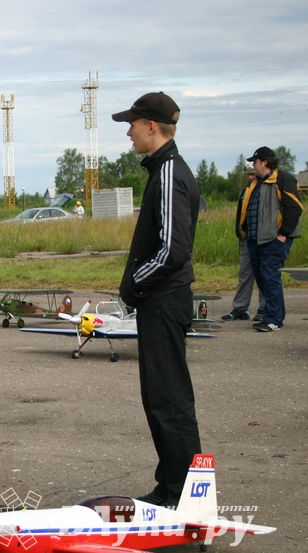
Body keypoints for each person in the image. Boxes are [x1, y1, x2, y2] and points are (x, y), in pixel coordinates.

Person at [112, 92, 201, 506]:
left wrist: (134, 286)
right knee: (162, 397)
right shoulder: (164, 170)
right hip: (162, 301)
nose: (128, 131)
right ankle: (173, 487)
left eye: (132, 123)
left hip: (164, 300)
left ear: (151, 126)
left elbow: (172, 250)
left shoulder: (168, 172)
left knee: (168, 399)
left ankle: (182, 495)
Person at [239, 146, 303, 332]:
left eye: (255, 161)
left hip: (273, 239)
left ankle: (274, 320)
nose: (253, 165)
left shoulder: (283, 179)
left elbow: (295, 207)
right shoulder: (258, 182)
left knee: (270, 276)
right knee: (262, 278)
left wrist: (283, 234)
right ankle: (269, 315)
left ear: (264, 162)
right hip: (255, 239)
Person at [222, 168, 265, 322]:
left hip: (263, 238)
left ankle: (264, 308)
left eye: (253, 173)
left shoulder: (266, 190)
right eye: (249, 174)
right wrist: (240, 233)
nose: (251, 176)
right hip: (246, 238)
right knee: (244, 274)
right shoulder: (246, 191)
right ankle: (240, 308)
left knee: (264, 273)